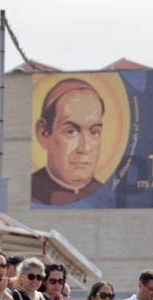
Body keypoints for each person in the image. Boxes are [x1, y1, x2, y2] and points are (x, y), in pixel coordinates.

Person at [30, 78, 107, 206]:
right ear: (43, 133)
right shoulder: (29, 191)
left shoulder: (107, 195)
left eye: (94, 132)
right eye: (71, 131)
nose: (85, 148)